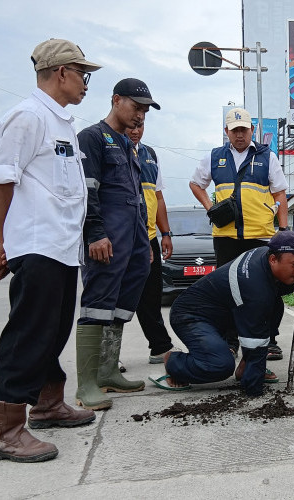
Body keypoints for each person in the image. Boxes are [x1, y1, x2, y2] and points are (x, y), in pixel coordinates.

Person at [0, 38, 101, 463]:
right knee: (29, 333)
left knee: (52, 331)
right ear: (62, 73)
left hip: (61, 246)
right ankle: (6, 430)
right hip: (36, 243)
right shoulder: (28, 117)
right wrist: (0, 243)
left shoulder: (61, 122)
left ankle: (49, 404)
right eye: (83, 74)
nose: (86, 83)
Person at [75, 78, 160, 410]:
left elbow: (137, 196)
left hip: (134, 238)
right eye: (135, 107)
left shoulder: (128, 145)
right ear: (115, 101)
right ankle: (86, 385)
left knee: (123, 302)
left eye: (144, 111)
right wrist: (95, 233)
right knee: (98, 302)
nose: (140, 116)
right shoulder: (93, 137)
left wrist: (144, 244)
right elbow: (87, 190)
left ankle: (109, 372)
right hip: (107, 237)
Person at [161, 231, 294, 397]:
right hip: (190, 316)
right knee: (220, 365)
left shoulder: (266, 254)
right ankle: (174, 362)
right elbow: (256, 338)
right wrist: (254, 390)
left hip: (223, 313)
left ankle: (245, 368)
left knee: (274, 304)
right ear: (273, 259)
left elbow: (277, 288)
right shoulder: (254, 286)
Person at [189, 107, 289, 361]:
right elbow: (195, 183)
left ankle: (269, 341)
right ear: (227, 132)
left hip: (261, 236)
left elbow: (279, 193)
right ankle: (231, 341)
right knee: (229, 292)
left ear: (252, 130)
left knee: (267, 291)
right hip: (226, 238)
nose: (240, 134)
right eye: (234, 130)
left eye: (244, 129)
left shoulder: (268, 156)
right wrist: (211, 208)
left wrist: (284, 230)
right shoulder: (215, 157)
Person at [127, 122, 178, 363]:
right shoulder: (111, 149)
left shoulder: (150, 155)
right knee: (115, 297)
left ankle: (159, 347)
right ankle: (108, 357)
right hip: (122, 238)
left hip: (148, 238)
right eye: (132, 125)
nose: (135, 130)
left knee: (151, 295)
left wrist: (165, 233)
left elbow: (157, 197)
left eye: (140, 125)